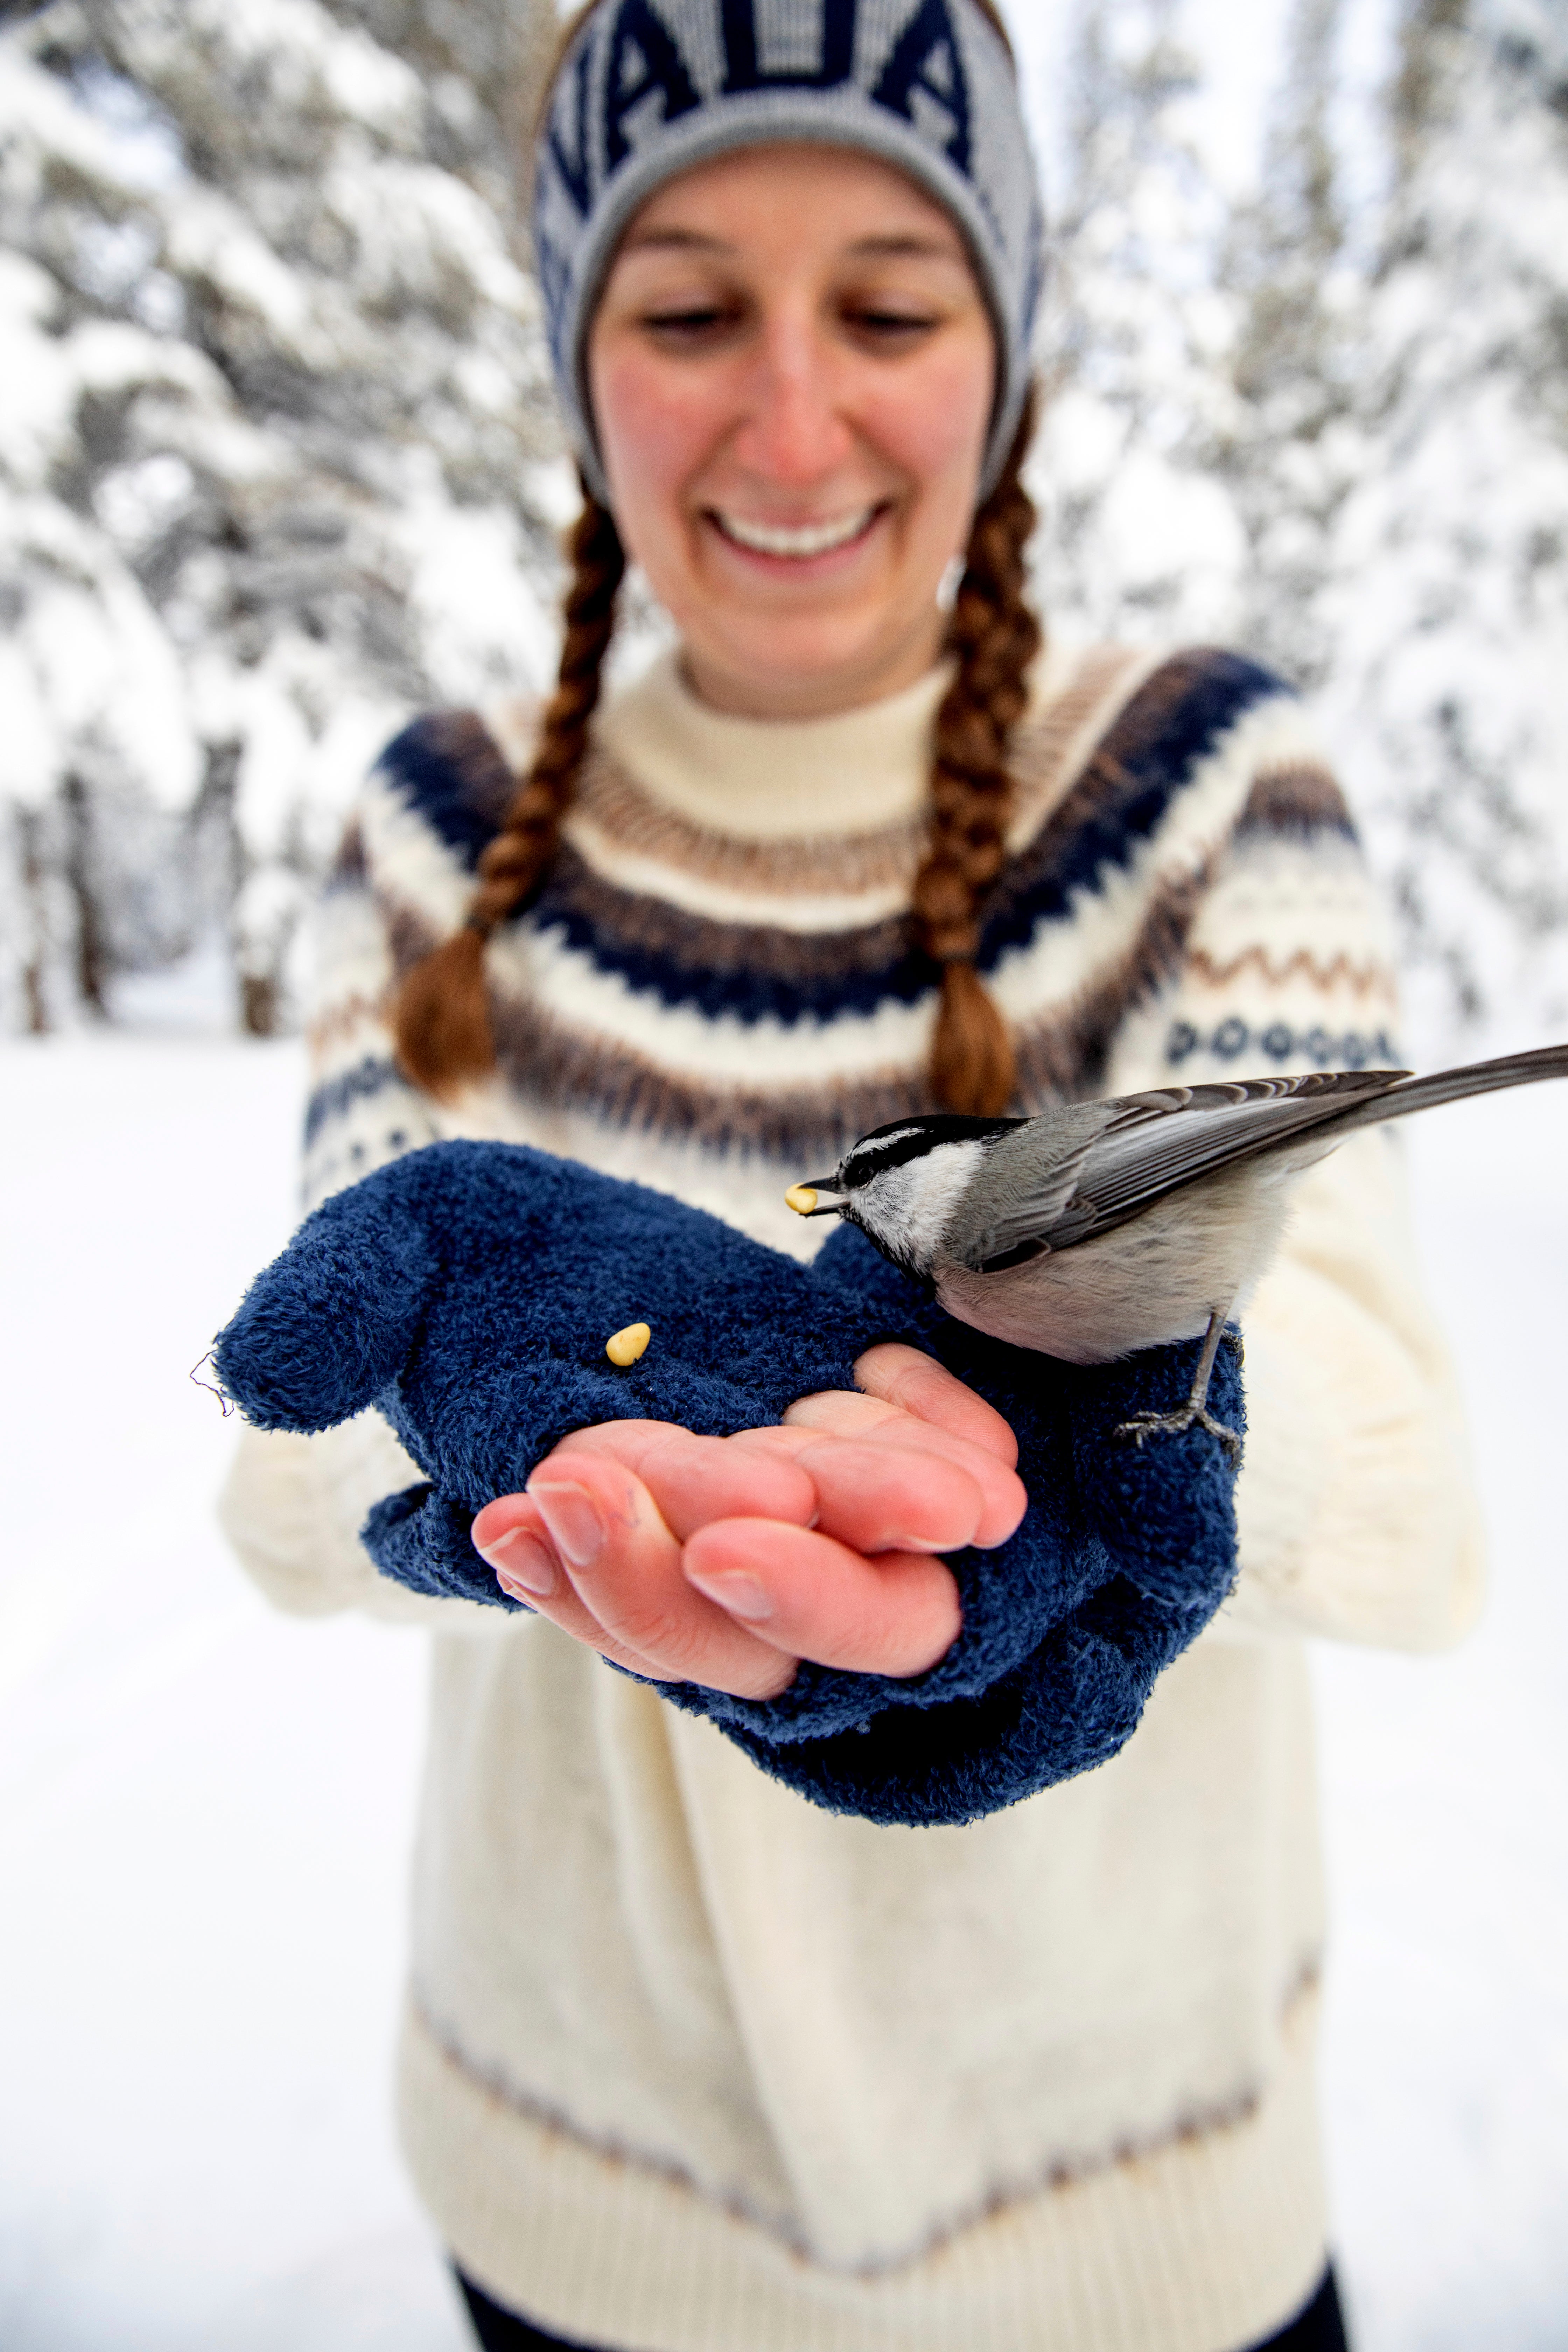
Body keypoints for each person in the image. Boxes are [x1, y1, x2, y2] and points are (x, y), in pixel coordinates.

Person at [219, 2, 1483, 2347]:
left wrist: (1120, 1435)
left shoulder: (1199, 775)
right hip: (581, 2186)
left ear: (1001, 349)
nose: (791, 420)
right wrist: (503, 1433)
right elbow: (291, 1485)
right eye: (690, 309)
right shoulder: (438, 826)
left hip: (1138, 2206)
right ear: (575, 353)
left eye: (887, 308)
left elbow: (1404, 1498)